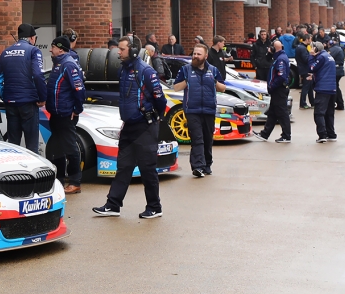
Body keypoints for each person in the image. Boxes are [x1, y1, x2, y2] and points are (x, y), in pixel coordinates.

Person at [93, 36, 167, 218]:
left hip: (145, 127)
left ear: (133, 50)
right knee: (123, 167)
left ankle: (155, 207)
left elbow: (160, 99)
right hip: (128, 126)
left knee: (147, 169)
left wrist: (156, 117)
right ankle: (113, 205)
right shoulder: (123, 70)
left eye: (122, 49)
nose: (118, 52)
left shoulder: (146, 71)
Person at [172, 42, 226, 177]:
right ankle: (198, 167)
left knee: (208, 139)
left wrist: (215, 82)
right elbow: (176, 87)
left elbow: (222, 88)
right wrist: (187, 81)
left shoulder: (213, 70)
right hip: (192, 110)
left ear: (205, 56)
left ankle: (207, 164)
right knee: (197, 139)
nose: (195, 56)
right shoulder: (185, 70)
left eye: (198, 54)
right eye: (194, 53)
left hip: (209, 110)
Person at [0, 24, 47, 154]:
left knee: (13, 146)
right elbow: (38, 75)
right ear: (32, 38)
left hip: (11, 103)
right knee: (32, 147)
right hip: (28, 103)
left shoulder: (5, 52)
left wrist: (5, 96)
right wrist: (42, 98)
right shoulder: (33, 51)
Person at [46, 36, 86, 194]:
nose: (50, 49)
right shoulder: (58, 63)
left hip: (66, 114)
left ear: (60, 49)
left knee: (70, 148)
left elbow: (79, 89)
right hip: (56, 114)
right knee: (55, 149)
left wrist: (77, 109)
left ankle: (75, 182)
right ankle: (60, 181)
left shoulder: (68, 64)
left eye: (53, 47)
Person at [252, 39, 291, 143]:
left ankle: (286, 136)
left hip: (279, 90)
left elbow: (281, 77)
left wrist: (272, 86)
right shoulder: (278, 58)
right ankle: (265, 134)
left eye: (271, 47)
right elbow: (267, 60)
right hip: (277, 90)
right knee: (272, 113)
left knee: (282, 113)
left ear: (275, 48)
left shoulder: (281, 59)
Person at [308, 42, 337, 143]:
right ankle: (331, 133)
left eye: (312, 48)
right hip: (331, 88)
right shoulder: (329, 56)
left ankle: (322, 134)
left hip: (323, 88)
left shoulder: (321, 57)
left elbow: (311, 68)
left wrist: (311, 56)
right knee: (329, 113)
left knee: (319, 113)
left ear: (316, 49)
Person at [328, 40, 345, 111]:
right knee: (336, 87)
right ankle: (340, 104)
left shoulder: (333, 50)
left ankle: (336, 103)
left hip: (336, 70)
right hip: (339, 69)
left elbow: (328, 56)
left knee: (335, 88)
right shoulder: (338, 48)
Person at [295, 34, 313, 109]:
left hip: (302, 68)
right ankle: (302, 103)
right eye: (310, 39)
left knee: (310, 87)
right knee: (306, 87)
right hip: (305, 70)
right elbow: (306, 59)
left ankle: (313, 102)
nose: (311, 41)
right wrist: (311, 55)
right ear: (307, 39)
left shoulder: (300, 47)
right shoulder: (302, 48)